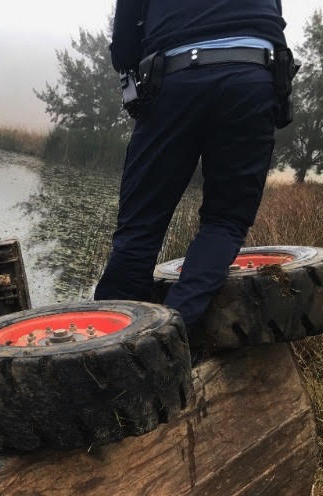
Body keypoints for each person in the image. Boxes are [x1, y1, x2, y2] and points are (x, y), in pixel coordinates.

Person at [94, 0, 287, 341]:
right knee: (225, 221)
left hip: (174, 76)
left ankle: (106, 348)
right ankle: (173, 336)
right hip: (253, 76)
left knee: (139, 229)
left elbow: (124, 41)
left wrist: (127, 60)